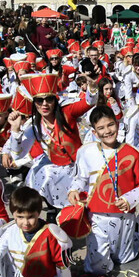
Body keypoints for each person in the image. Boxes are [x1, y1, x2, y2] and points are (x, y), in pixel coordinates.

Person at [67, 106, 139, 275]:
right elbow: (81, 178)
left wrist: (129, 199)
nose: (107, 131)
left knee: (125, 258)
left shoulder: (134, 153)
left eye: (110, 125)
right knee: (98, 267)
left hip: (124, 214)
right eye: (101, 128)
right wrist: (74, 189)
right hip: (96, 215)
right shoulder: (86, 152)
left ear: (117, 124)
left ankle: (134, 238)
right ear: (94, 132)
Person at [7, 73, 98, 211]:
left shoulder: (67, 112)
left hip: (78, 165)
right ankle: (52, 211)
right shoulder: (35, 126)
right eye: (39, 100)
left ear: (55, 100)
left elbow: (88, 102)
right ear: (34, 103)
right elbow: (18, 154)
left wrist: (92, 86)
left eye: (49, 99)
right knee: (44, 176)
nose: (44, 104)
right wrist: (15, 129)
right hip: (55, 169)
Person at [0, 187, 72, 277]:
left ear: (38, 212)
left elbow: (61, 263)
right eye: (20, 217)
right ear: (13, 214)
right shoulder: (10, 231)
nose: (25, 222)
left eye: (30, 217)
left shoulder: (51, 233)